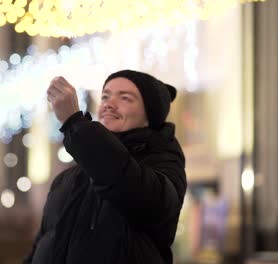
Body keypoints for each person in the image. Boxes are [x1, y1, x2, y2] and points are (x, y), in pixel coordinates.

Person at [24, 70, 187, 264]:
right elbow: (43, 242)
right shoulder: (68, 178)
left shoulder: (163, 162)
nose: (109, 104)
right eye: (105, 96)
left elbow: (131, 187)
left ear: (149, 115)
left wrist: (75, 123)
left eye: (125, 98)